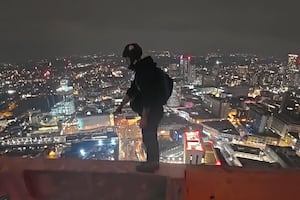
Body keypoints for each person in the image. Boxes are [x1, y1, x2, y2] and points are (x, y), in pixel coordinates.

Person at [115, 43, 164, 173]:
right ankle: (151, 163)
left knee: (149, 137)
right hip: (151, 111)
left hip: (152, 111)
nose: (126, 62)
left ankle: (152, 164)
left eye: (127, 59)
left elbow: (148, 95)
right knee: (148, 136)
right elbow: (133, 90)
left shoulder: (144, 71)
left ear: (133, 58)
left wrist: (145, 116)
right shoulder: (142, 70)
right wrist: (121, 105)